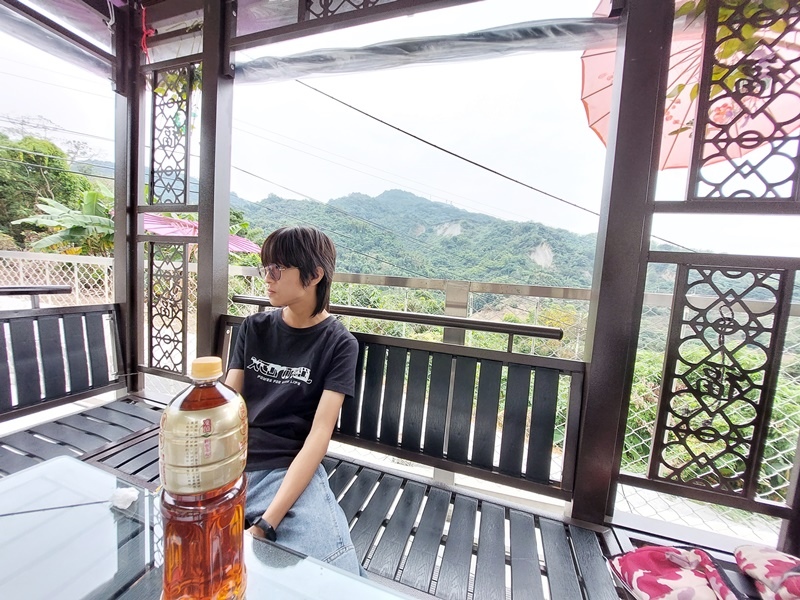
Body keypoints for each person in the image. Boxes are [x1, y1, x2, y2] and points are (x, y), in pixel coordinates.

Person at [224, 225, 361, 574]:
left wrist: (268, 522)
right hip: (232, 463)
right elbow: (227, 405)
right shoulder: (254, 328)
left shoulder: (339, 344)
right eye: (264, 268)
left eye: (276, 269)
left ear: (314, 275)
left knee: (336, 570)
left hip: (287, 470)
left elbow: (319, 436)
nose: (266, 279)